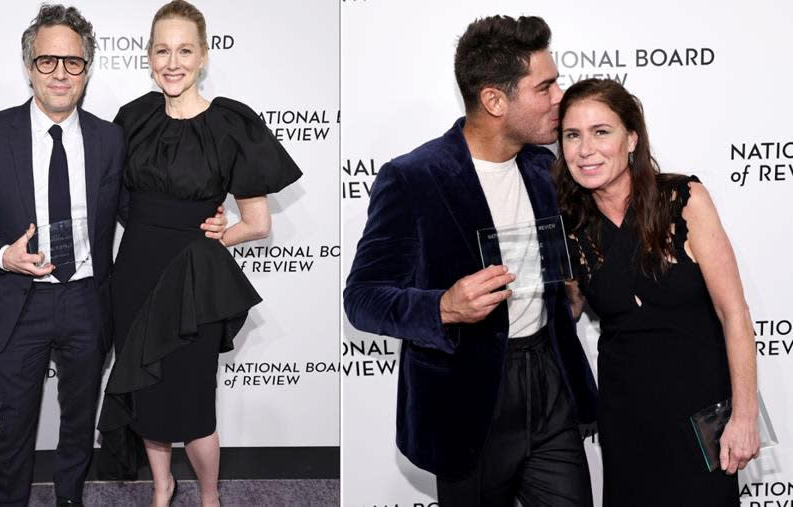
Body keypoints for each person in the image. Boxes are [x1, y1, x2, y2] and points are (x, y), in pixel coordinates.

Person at [344, 15, 597, 507]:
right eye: (544, 87)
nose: (558, 97)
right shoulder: (412, 178)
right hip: (469, 400)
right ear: (495, 100)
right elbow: (362, 299)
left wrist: (570, 291)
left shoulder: (544, 167)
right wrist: (443, 307)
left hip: (550, 385)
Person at [96, 1, 302, 506]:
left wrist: (217, 233)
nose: (173, 62)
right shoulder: (133, 118)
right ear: (148, 56)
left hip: (193, 284)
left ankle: (210, 495)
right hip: (136, 276)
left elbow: (257, 223)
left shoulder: (232, 124)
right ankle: (162, 486)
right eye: (162, 50)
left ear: (204, 56)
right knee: (143, 391)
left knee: (192, 405)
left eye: (185, 50)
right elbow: (117, 199)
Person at [555, 78, 759, 506]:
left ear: (631, 138)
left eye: (601, 132)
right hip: (626, 420)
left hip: (702, 416)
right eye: (572, 135)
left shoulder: (683, 200)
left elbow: (734, 314)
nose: (585, 149)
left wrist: (745, 416)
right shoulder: (569, 228)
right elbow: (562, 315)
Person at [0, 5, 122, 506]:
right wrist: (4, 254)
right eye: (48, 61)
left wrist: (202, 216)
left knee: (78, 422)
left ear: (87, 69)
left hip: (89, 300)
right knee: (15, 425)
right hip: (21, 301)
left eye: (73, 62)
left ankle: (70, 499)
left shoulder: (109, 138)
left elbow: (135, 209)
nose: (61, 74)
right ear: (28, 66)